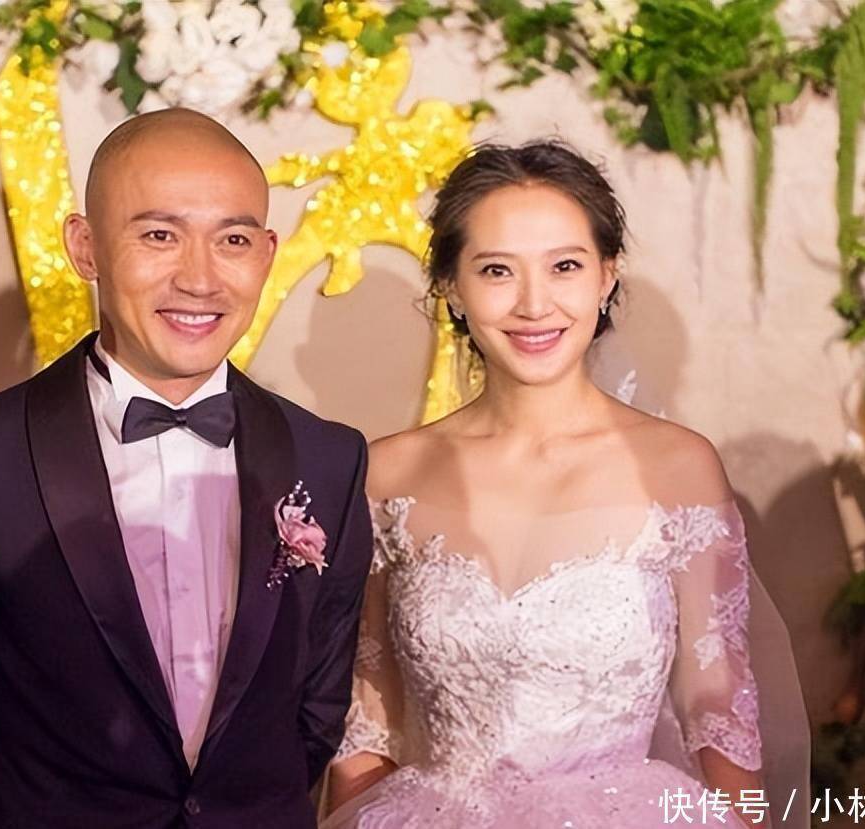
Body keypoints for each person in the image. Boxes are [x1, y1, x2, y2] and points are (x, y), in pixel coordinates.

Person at [0, 109, 374, 829]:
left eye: (233, 240)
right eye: (159, 235)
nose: (199, 278)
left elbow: (317, 706)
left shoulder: (329, 458)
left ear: (268, 252)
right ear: (86, 247)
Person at [322, 141, 809, 828]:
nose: (533, 304)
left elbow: (718, 710)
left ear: (607, 276)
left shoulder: (678, 467)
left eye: (565, 266)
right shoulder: (387, 474)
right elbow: (368, 717)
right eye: (497, 270)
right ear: (451, 286)